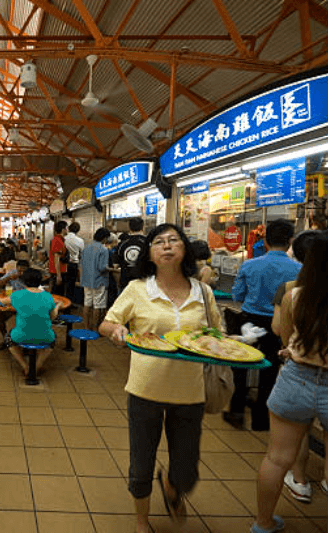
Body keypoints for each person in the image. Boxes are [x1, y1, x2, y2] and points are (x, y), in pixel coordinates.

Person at [99, 224, 222, 533]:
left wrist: (220, 344)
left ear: (185, 249)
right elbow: (108, 322)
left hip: (191, 391)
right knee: (141, 463)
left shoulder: (203, 292)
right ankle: (142, 522)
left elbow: (217, 333)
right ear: (150, 254)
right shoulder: (138, 289)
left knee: (187, 469)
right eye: (159, 242)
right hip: (145, 388)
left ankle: (172, 485)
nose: (167, 246)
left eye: (174, 240)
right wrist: (117, 331)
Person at [253, 230, 328, 533]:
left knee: (277, 459)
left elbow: (285, 335)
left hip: (296, 380)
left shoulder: (297, 294)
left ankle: (263, 524)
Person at [225, 219, 301, 431]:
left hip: (249, 320)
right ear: (291, 241)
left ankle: (236, 411)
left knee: (241, 364)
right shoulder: (299, 269)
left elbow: (238, 295)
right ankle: (261, 419)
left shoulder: (250, 265)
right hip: (280, 324)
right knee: (270, 368)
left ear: (265, 241)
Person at [270, 230, 320, 503]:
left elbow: (280, 330)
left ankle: (299, 480)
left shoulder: (291, 289)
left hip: (299, 372)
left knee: (284, 449)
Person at [0, 268, 61, 375]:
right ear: (40, 281)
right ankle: (37, 365)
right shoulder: (48, 296)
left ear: (24, 281)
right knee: (53, 339)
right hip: (45, 336)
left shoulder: (18, 295)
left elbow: (0, 302)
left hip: (21, 336)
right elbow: (53, 317)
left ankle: (25, 366)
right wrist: (58, 306)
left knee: (8, 338)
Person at [0, 259, 30, 350]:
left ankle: (26, 344)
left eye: (23, 271)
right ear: (16, 268)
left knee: (26, 322)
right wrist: (8, 278)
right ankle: (6, 340)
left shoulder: (30, 275)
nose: (21, 273)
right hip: (12, 302)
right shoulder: (12, 273)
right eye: (19, 271)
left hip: (27, 305)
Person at [80, 228, 112, 330]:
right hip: (99, 281)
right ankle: (95, 329)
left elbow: (81, 265)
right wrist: (112, 269)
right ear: (104, 238)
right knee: (97, 305)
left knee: (87, 303)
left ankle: (86, 327)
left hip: (86, 280)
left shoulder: (86, 247)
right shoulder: (103, 250)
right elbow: (102, 267)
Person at [115, 217, 146, 292]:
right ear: (142, 227)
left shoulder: (122, 244)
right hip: (144, 284)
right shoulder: (148, 242)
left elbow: (115, 266)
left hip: (125, 283)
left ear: (129, 228)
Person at [64, 221, 85, 301]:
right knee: (71, 285)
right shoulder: (80, 241)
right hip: (74, 265)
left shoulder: (64, 238)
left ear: (68, 228)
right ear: (78, 230)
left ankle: (62, 302)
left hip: (64, 264)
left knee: (63, 284)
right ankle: (69, 302)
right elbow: (81, 254)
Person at [49, 220, 68, 296]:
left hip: (57, 272)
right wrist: (59, 276)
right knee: (57, 296)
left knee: (57, 295)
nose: (67, 230)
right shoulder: (57, 241)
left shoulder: (59, 240)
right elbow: (56, 259)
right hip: (57, 273)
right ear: (63, 229)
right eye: (66, 228)